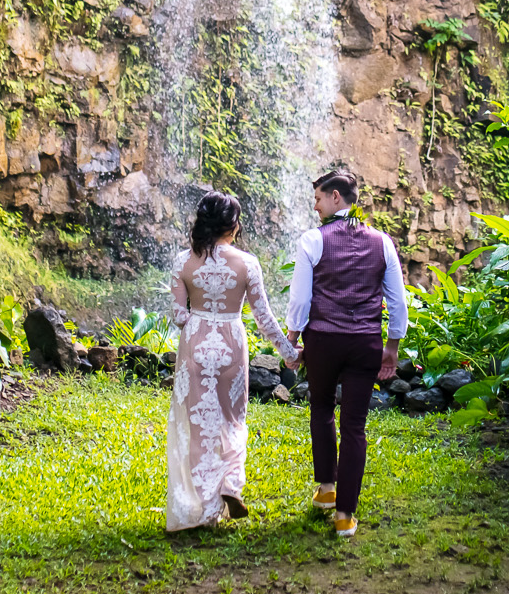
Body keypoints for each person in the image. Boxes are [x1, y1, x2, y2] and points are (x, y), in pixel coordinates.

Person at [284, 168, 407, 539]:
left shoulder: (312, 240)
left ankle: (326, 490)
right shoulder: (382, 242)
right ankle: (344, 516)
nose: (316, 206)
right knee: (355, 425)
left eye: (319, 198)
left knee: (321, 408)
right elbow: (397, 302)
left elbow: (302, 298)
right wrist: (392, 347)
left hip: (323, 340)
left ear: (336, 197)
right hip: (364, 342)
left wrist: (293, 340)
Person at [165, 190, 298, 532]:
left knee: (198, 426)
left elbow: (179, 316)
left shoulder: (183, 261)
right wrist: (289, 354)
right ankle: (230, 485)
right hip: (230, 344)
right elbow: (264, 318)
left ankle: (205, 510)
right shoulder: (247, 263)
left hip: (195, 345)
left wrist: (198, 313)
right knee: (232, 419)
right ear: (233, 226)